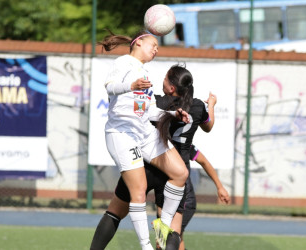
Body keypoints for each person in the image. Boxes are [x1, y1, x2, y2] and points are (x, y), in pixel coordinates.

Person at [90, 64, 228, 250]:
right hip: (175, 170)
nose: (161, 80)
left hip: (146, 165)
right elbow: (208, 126)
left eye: (165, 78)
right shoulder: (197, 107)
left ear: (171, 88)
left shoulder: (157, 102)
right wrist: (211, 105)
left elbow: (136, 112)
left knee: (114, 213)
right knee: (170, 230)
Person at [99, 30, 189, 250]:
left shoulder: (144, 73)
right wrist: (131, 86)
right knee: (136, 192)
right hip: (122, 134)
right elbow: (110, 87)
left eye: (158, 47)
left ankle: (163, 226)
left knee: (181, 173)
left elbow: (148, 112)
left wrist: (173, 115)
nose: (156, 50)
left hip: (144, 134)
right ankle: (146, 246)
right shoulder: (123, 63)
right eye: (153, 45)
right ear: (138, 43)